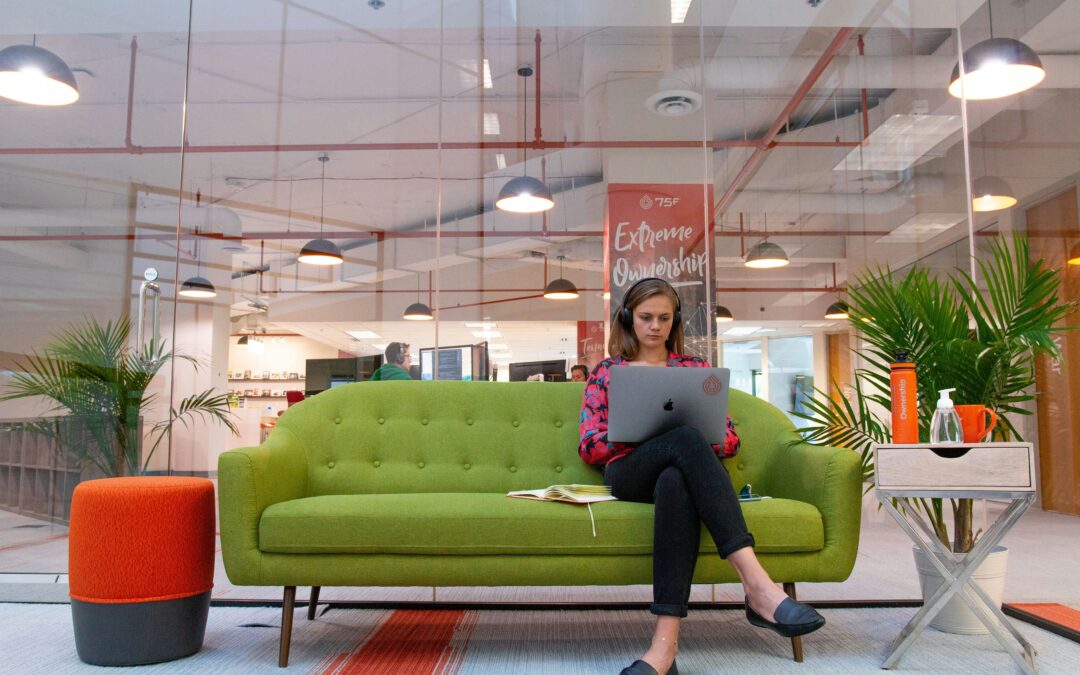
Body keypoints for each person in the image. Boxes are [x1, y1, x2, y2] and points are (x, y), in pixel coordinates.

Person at [579, 278, 824, 675]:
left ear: (674, 322)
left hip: (675, 475)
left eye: (664, 318)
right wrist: (641, 433)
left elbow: (729, 439)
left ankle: (664, 648)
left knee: (678, 477)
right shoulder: (609, 372)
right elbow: (589, 445)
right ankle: (759, 587)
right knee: (685, 439)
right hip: (628, 472)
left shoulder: (694, 370)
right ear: (627, 318)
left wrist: (687, 437)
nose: (654, 326)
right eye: (645, 317)